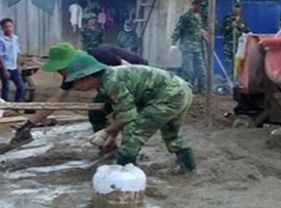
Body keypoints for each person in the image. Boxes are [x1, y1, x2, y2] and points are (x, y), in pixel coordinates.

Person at [63, 53, 196, 173]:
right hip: (180, 90)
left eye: (75, 83)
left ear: (87, 77)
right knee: (171, 133)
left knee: (133, 132)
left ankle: (124, 175)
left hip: (168, 95)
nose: (75, 88)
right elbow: (120, 111)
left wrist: (105, 132)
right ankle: (188, 169)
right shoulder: (107, 78)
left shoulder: (111, 83)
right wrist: (112, 138)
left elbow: (128, 116)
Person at [10, 43, 148, 146]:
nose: (59, 73)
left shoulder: (100, 55)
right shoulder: (73, 73)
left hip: (137, 78)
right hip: (113, 87)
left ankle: (125, 154)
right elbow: (54, 102)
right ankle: (107, 147)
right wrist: (28, 125)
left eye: (59, 69)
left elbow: (132, 72)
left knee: (125, 117)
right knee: (96, 113)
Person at [171, 0, 207, 92]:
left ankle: (202, 88)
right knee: (188, 71)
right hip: (187, 48)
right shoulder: (185, 17)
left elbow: (198, 28)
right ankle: (187, 90)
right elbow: (178, 29)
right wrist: (173, 43)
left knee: (201, 70)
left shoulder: (199, 17)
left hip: (198, 47)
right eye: (198, 5)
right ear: (194, 5)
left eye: (201, 6)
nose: (200, 8)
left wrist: (203, 32)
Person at [222, 0, 250, 78]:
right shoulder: (227, 19)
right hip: (228, 47)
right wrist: (231, 26)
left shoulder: (243, 20)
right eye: (235, 6)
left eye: (239, 7)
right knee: (228, 66)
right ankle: (227, 84)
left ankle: (237, 82)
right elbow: (223, 31)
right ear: (232, 7)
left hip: (239, 47)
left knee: (238, 66)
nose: (237, 9)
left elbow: (247, 32)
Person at [0, 18, 24, 102]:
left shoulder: (15, 38)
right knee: (6, 88)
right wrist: (4, 70)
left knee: (21, 87)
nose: (8, 29)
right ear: (2, 28)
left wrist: (18, 65)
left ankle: (17, 105)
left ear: (13, 27)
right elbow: (1, 56)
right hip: (6, 67)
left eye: (10, 26)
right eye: (6, 27)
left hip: (14, 67)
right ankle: (3, 107)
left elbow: (18, 52)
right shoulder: (1, 40)